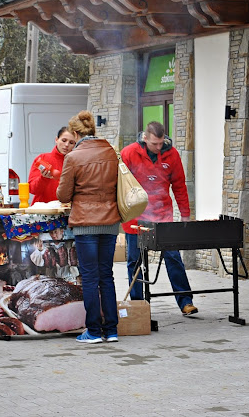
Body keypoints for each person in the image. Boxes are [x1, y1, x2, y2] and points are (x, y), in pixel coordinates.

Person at [121, 121, 198, 316]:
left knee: (173, 257)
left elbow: (179, 185)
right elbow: (120, 185)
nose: (158, 147)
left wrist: (185, 215)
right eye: (154, 143)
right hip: (135, 218)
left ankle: (185, 301)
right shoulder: (129, 153)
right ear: (144, 138)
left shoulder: (172, 154)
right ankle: (138, 306)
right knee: (134, 261)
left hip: (162, 215)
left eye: (161, 143)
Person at [56, 110, 120, 344]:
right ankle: (111, 330)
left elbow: (63, 194)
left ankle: (93, 330)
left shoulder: (73, 157)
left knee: (90, 278)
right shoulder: (112, 153)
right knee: (107, 276)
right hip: (111, 222)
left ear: (75, 133)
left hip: (85, 224)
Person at [28, 127, 77, 202]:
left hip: (66, 210)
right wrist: (43, 178)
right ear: (56, 140)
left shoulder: (75, 163)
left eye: (71, 142)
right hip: (43, 210)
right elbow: (32, 189)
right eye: (64, 140)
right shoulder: (42, 158)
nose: (67, 145)